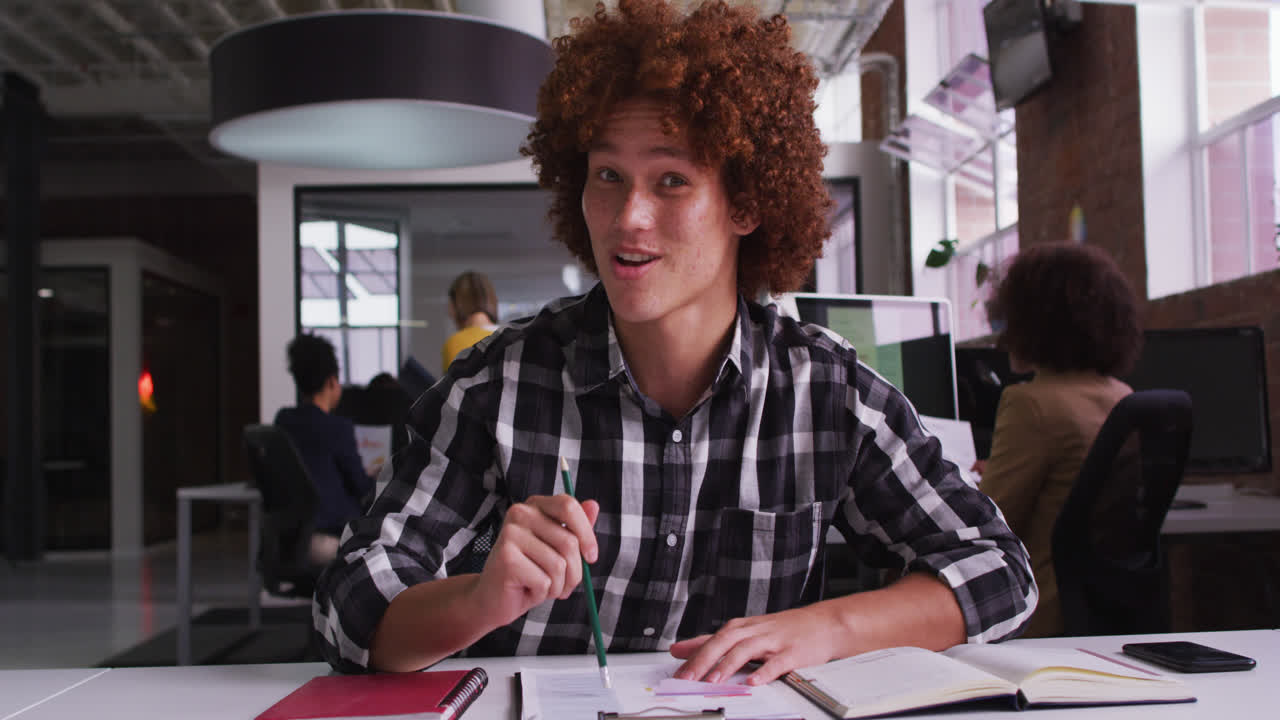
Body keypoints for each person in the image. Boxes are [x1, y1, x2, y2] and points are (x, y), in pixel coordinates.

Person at [313, 0, 1035, 679]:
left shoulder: (828, 393)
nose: (628, 217)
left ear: (746, 203)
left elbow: (998, 570)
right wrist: (478, 601)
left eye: (671, 181)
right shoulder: (497, 388)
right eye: (607, 175)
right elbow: (347, 604)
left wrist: (826, 629)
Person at [976, 242, 1142, 638]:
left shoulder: (1031, 404)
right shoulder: (1123, 395)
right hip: (1106, 610)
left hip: (1038, 612)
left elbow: (985, 526)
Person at [274, 333, 376, 565]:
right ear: (332, 381)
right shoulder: (337, 428)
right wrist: (378, 476)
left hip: (288, 541)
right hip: (330, 540)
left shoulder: (283, 421)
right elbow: (361, 488)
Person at [442, 271, 499, 371]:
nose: (449, 313)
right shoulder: (512, 339)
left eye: (450, 305)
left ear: (457, 304)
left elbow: (452, 386)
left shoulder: (456, 343)